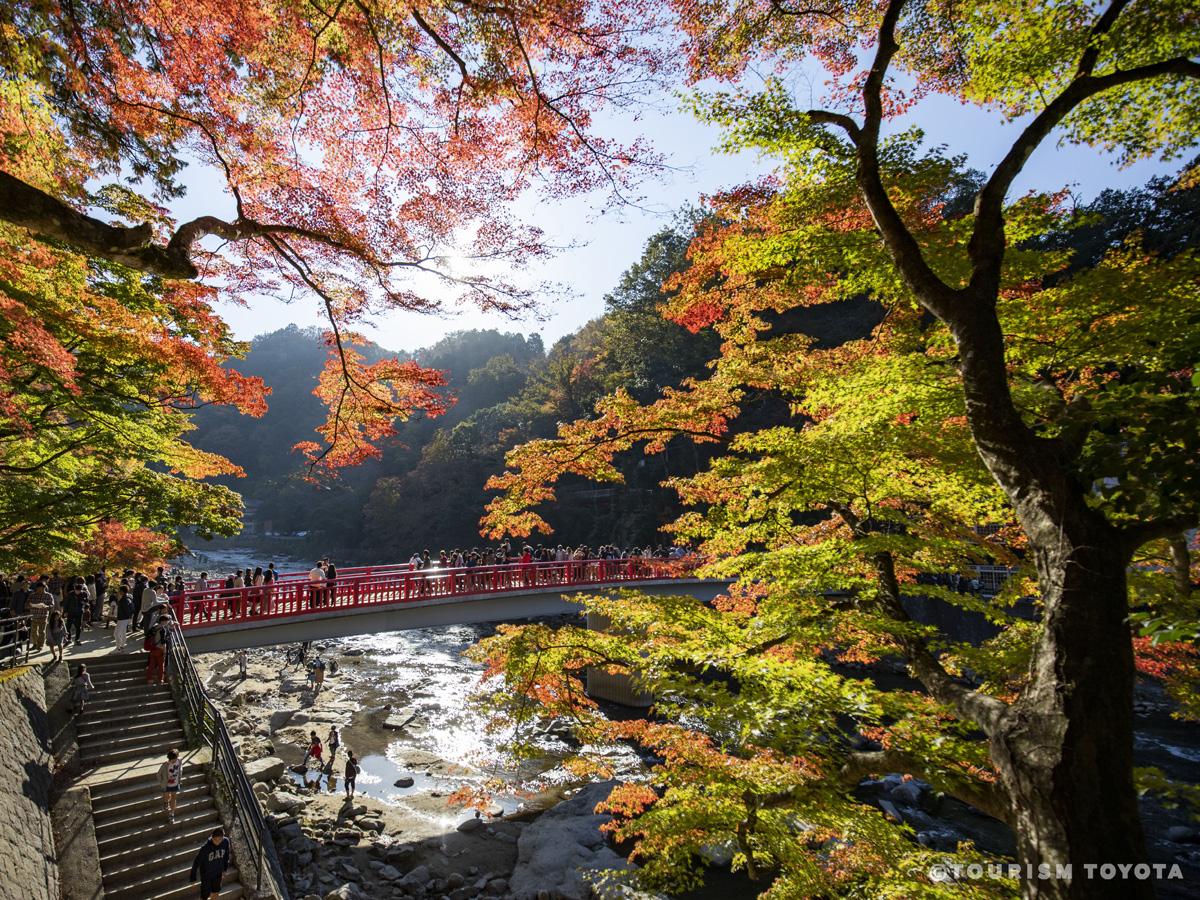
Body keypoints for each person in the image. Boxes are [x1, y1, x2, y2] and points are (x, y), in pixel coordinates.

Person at [189, 827, 231, 900]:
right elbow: (196, 863)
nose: (218, 842)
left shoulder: (225, 842)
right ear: (212, 837)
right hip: (206, 875)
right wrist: (193, 878)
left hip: (218, 873)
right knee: (205, 895)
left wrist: (225, 869)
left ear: (223, 837)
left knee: (216, 892)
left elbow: (226, 856)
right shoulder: (205, 848)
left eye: (220, 840)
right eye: (216, 840)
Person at [159, 748, 183, 821]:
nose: (173, 761)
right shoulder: (165, 765)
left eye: (174, 759)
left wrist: (180, 775)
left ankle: (172, 814)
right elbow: (158, 774)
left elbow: (180, 760)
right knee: (166, 796)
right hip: (166, 785)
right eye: (172, 760)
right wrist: (162, 782)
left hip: (175, 784)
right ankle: (166, 802)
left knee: (173, 798)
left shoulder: (179, 761)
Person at [145, 614, 167, 684]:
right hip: (159, 648)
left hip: (153, 648)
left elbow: (148, 636)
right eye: (166, 621)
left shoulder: (154, 627)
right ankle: (160, 680)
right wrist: (164, 650)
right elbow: (163, 641)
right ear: (163, 621)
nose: (167, 623)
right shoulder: (162, 629)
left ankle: (149, 679)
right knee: (161, 666)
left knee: (151, 665)